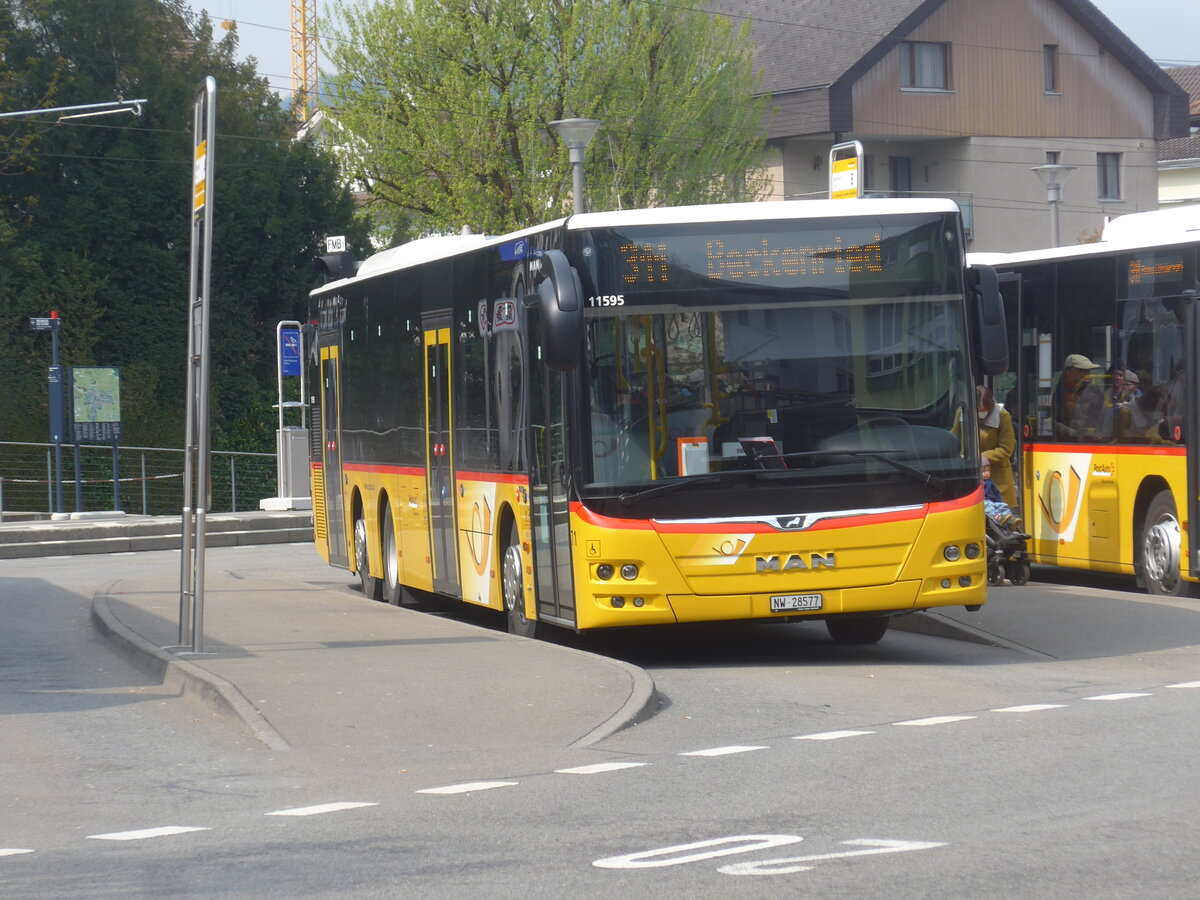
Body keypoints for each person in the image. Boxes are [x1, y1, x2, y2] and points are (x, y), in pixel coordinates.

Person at [977, 385, 1017, 510]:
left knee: (999, 515)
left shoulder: (1002, 416)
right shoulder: (962, 413)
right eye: (978, 409)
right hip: (972, 477)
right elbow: (955, 438)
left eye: (984, 410)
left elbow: (1006, 449)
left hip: (997, 477)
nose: (981, 413)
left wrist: (980, 458)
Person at [1053, 353, 1104, 441]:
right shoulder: (1059, 394)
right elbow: (1050, 423)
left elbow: (1102, 418)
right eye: (1081, 370)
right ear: (1068, 372)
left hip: (1094, 443)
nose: (1087, 374)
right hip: (1069, 445)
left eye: (1088, 371)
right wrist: (1072, 434)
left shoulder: (1095, 392)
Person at [982, 457, 1017, 528]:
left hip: (993, 501)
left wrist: (999, 501)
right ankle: (998, 518)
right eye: (983, 471)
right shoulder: (980, 483)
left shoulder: (991, 482)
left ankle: (1010, 520)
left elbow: (996, 493)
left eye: (988, 471)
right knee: (990, 508)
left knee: (1003, 506)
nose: (986, 473)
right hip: (985, 502)